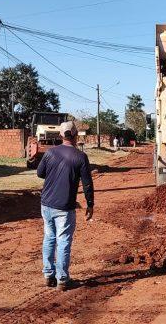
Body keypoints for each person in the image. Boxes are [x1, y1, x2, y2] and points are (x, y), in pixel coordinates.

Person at [37, 121, 94, 290]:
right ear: (76, 136)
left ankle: (48, 275)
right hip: (64, 207)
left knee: (49, 238)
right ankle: (62, 279)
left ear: (60, 136)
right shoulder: (80, 157)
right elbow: (87, 184)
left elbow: (40, 173)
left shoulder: (50, 153)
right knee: (63, 241)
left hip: (46, 204)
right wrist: (90, 204)